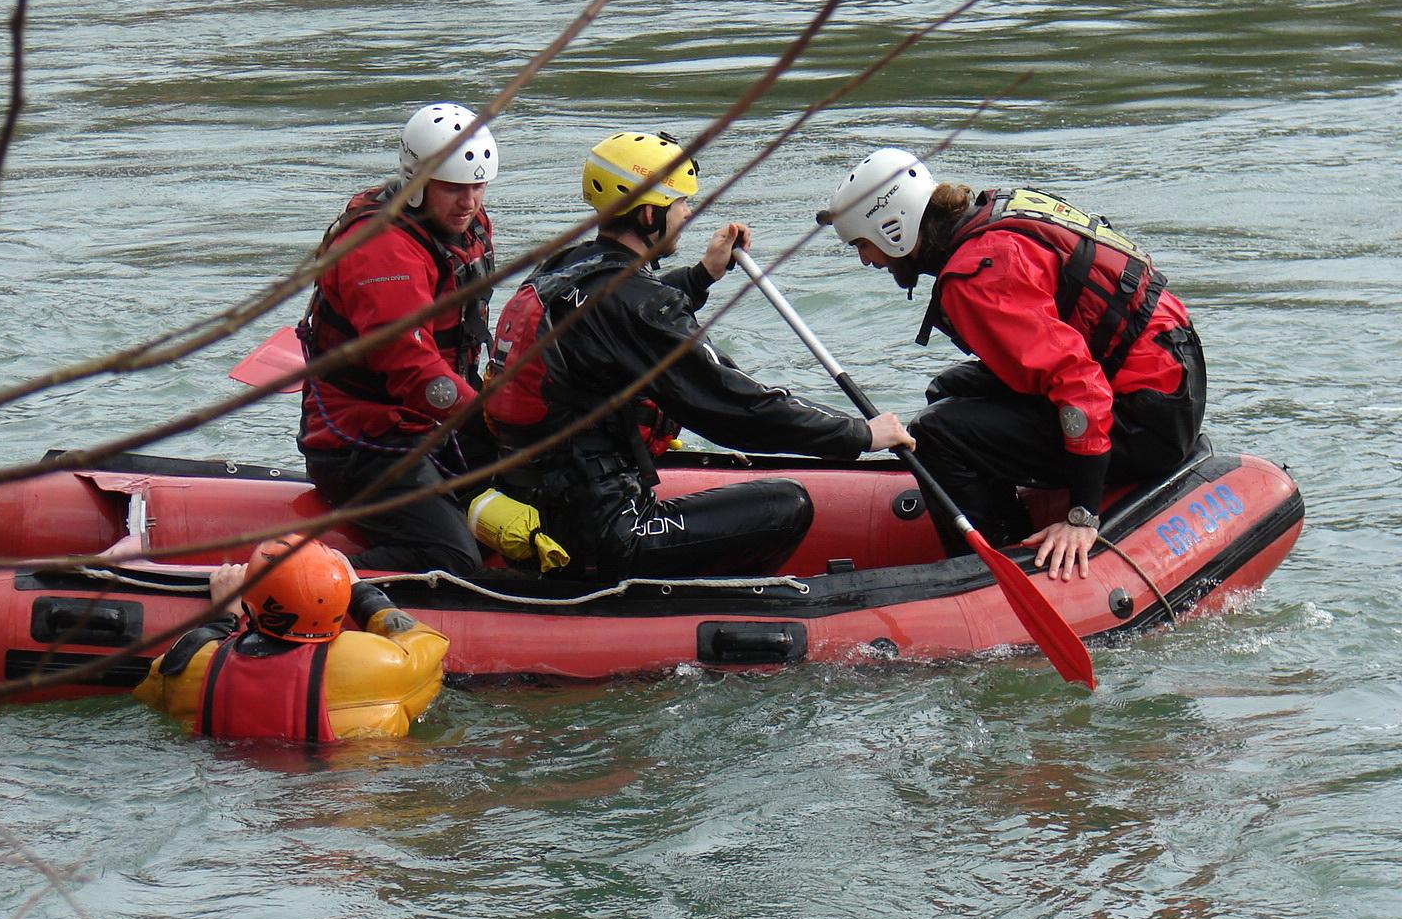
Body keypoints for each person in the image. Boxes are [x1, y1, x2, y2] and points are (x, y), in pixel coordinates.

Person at [483, 130, 913, 581]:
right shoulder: (635, 303)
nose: (688, 214)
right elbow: (734, 405)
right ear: (650, 215)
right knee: (784, 505)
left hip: (537, 512)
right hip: (607, 531)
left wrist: (702, 275)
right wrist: (859, 434)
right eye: (681, 205)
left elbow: (626, 319)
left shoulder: (563, 268)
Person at [821, 147, 1206, 580]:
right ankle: (1013, 503)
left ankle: (993, 566)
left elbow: (1079, 384)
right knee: (948, 391)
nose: (867, 260)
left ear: (893, 229)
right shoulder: (989, 216)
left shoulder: (978, 279)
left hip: (1149, 415)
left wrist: (1082, 514)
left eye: (863, 245)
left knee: (936, 433)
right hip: (1169, 373)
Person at [297, 102, 499, 575]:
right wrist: (487, 422)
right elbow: (412, 368)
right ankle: (305, 580)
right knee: (452, 557)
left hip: (431, 428)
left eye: (477, 186)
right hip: (362, 442)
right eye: (453, 188)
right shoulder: (381, 249)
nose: (468, 202)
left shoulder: (463, 225)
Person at [133, 534, 449, 743]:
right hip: (353, 797)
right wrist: (359, 591)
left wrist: (221, 617)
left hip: (239, 801)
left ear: (250, 603)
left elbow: (153, 692)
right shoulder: (379, 662)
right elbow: (428, 642)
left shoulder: (190, 666)